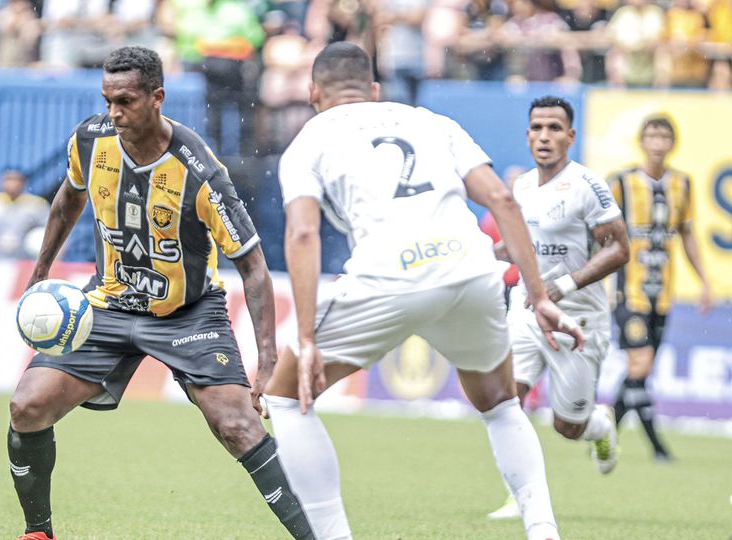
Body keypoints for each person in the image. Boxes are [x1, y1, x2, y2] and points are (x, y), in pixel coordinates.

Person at [263, 42, 586, 540]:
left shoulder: (310, 139)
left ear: (312, 93)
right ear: (373, 91)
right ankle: (543, 530)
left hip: (391, 276)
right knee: (500, 403)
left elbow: (303, 234)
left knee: (286, 398)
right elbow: (502, 198)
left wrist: (306, 338)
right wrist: (539, 295)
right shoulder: (431, 120)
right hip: (470, 269)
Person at [6, 46, 314, 540]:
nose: (113, 112)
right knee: (27, 406)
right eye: (107, 100)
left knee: (238, 427)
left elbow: (253, 266)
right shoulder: (90, 140)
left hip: (187, 314)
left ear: (157, 98)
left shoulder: (200, 172)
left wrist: (269, 358)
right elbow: (68, 196)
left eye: (125, 101)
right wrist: (40, 270)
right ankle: (38, 533)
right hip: (108, 303)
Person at [487, 96, 630, 521]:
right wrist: (475, 254)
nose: (544, 136)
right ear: (528, 134)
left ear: (570, 136)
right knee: (503, 400)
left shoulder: (587, 185)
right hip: (526, 311)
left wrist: (563, 285)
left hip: (577, 318)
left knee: (567, 426)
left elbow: (620, 248)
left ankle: (599, 426)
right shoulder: (523, 185)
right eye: (536, 128)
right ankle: (523, 495)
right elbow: (517, 246)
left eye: (553, 128)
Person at [606, 114, 713, 461]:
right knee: (640, 362)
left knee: (643, 369)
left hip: (661, 295)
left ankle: (606, 429)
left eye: (664, 136)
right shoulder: (620, 182)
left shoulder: (682, 184)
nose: (657, 142)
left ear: (672, 144)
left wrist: (704, 281)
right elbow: (601, 234)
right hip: (627, 292)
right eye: (651, 135)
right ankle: (656, 446)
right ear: (641, 142)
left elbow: (686, 234)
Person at [0, 168, 50, 259]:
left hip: (25, 264)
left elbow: (51, 233)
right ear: (1, 182)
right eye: (9, 179)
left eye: (16, 180)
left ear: (23, 183)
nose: (12, 184)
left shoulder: (37, 205)